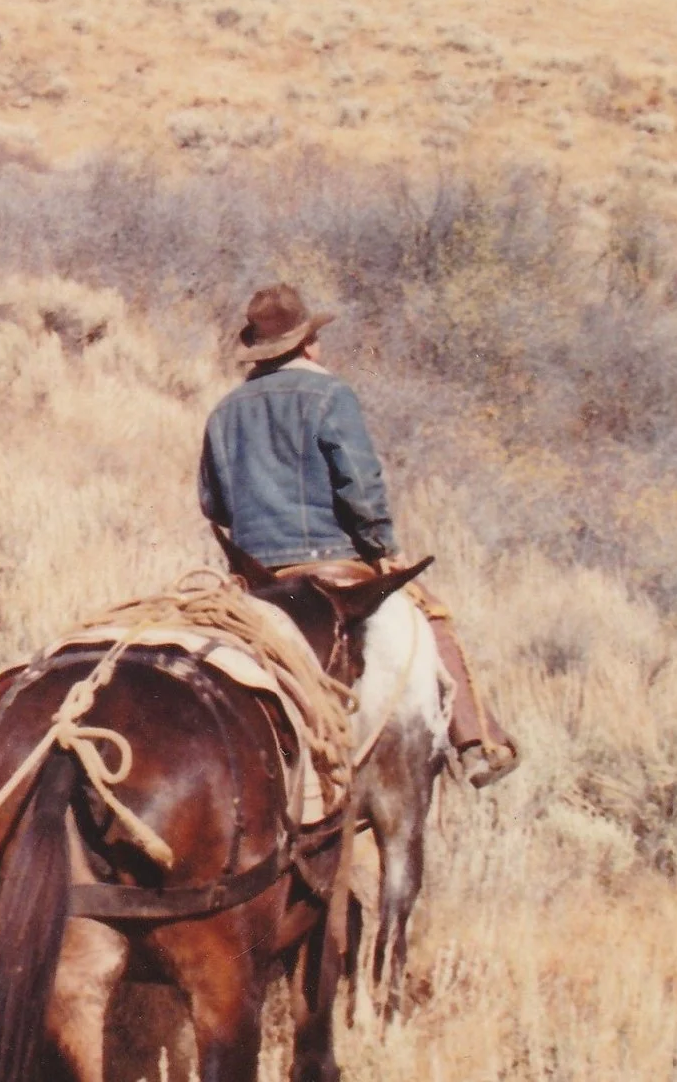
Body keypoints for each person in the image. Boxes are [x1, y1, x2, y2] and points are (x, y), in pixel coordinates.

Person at [198, 282, 520, 786]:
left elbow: (212, 504)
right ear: (309, 344)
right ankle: (477, 743)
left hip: (257, 578)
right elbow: (360, 484)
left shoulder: (225, 411)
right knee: (433, 618)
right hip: (333, 564)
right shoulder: (331, 394)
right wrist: (382, 549)